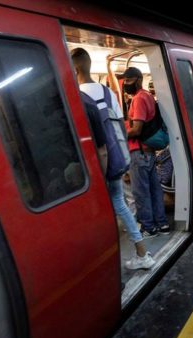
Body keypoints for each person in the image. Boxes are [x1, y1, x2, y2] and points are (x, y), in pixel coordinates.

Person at [70, 48, 156, 270]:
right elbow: (120, 126)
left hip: (94, 164)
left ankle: (103, 260)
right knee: (119, 203)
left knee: (98, 208)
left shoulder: (75, 97)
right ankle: (141, 252)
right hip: (116, 159)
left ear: (75, 68)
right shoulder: (109, 94)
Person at [122, 66, 170, 237]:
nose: (125, 84)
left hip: (139, 153)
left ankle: (149, 227)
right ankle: (162, 224)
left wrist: (119, 133)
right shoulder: (148, 96)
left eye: (129, 80)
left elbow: (136, 130)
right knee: (155, 190)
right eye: (124, 81)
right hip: (148, 153)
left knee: (140, 192)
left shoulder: (139, 98)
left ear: (139, 79)